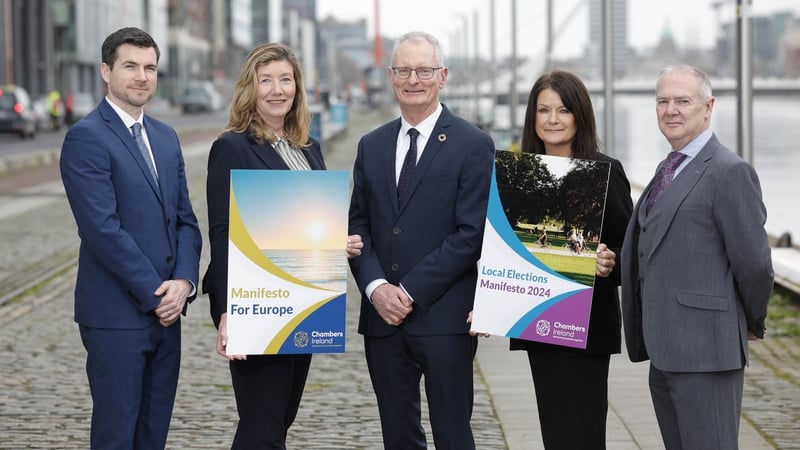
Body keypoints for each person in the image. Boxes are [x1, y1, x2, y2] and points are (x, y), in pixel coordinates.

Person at [347, 31, 495, 450]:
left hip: (444, 318)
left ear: (443, 75)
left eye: (424, 70)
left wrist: (408, 292)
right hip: (382, 322)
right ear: (391, 77)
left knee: (453, 434)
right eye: (404, 70)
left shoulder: (473, 144)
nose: (414, 79)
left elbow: (472, 235)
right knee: (397, 435)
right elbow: (359, 226)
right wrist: (377, 290)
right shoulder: (371, 145)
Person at [59, 27, 202, 449]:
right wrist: (157, 294)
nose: (142, 77)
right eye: (130, 67)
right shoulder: (86, 137)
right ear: (106, 71)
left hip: (168, 315)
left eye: (150, 68)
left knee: (153, 435)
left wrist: (184, 283)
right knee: (116, 435)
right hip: (116, 317)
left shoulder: (165, 136)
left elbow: (185, 221)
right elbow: (102, 230)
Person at [620, 64, 774, 449]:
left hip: (708, 353)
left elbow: (755, 264)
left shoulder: (730, 171)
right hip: (664, 351)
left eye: (682, 101)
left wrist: (752, 321)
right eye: (663, 101)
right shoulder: (668, 168)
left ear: (708, 107)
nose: (671, 110)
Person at [202, 42, 328, 450]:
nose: (277, 89)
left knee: (279, 423)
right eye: (266, 80)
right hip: (256, 303)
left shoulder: (308, 148)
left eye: (286, 79)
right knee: (261, 427)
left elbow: (308, 226)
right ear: (250, 87)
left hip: (303, 306)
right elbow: (221, 232)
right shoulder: (233, 146)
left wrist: (335, 241)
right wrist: (226, 311)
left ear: (298, 87)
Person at [510, 70, 633, 449]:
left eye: (563, 110)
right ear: (532, 117)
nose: (552, 119)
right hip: (542, 323)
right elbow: (510, 248)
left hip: (588, 328)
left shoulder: (605, 171)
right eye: (543, 110)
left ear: (580, 115)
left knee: (584, 433)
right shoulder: (519, 176)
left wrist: (607, 262)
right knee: (554, 431)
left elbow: (629, 250)